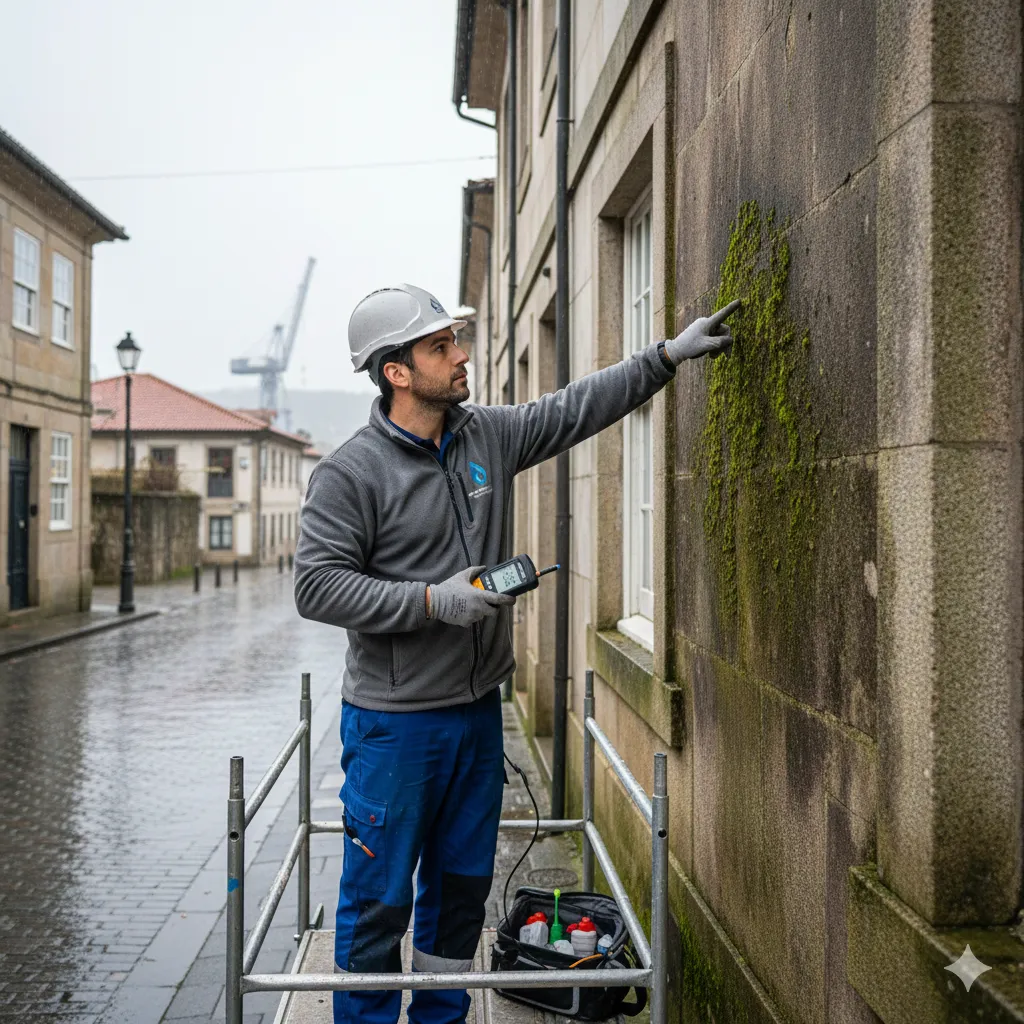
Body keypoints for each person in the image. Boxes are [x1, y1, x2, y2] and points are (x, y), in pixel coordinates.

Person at [294, 283, 738, 1024]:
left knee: (462, 888)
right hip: (394, 728)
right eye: (440, 347)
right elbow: (317, 588)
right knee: (377, 902)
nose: (460, 355)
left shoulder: (486, 437)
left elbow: (572, 409)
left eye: (454, 341)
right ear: (395, 371)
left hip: (476, 717)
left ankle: (439, 1018)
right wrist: (433, 600)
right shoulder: (349, 474)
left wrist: (663, 358)